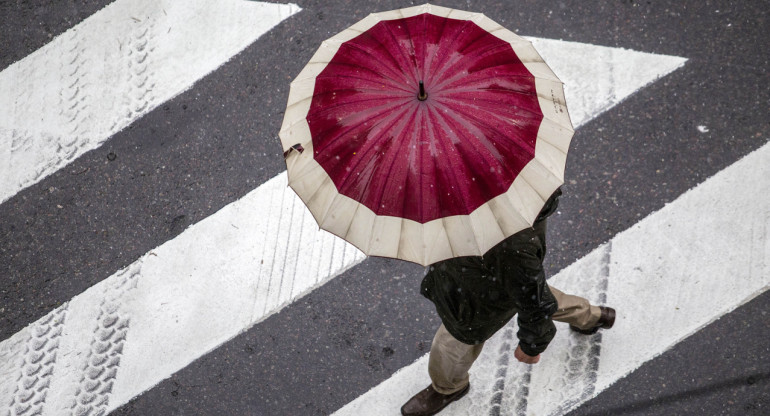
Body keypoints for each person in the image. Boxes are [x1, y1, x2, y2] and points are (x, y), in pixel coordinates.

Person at [401, 189, 616, 416]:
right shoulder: (508, 194)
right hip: (490, 279)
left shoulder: (508, 243)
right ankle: (590, 317)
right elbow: (530, 291)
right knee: (525, 292)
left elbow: (535, 303)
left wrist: (531, 345)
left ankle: (448, 387)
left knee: (449, 346)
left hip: (477, 298)